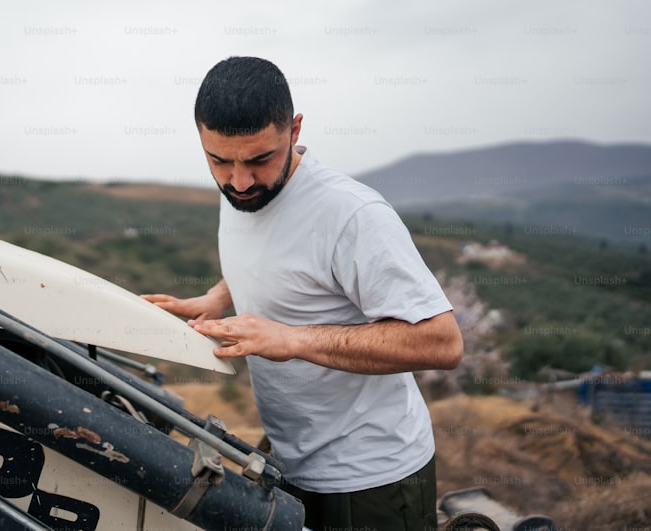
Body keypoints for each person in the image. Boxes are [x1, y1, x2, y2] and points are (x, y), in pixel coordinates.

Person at [142, 56, 464, 531]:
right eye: (219, 161)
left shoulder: (352, 215)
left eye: (259, 159)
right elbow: (279, 258)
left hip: (369, 478)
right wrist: (216, 298)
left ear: (294, 130)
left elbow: (442, 342)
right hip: (289, 463)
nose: (239, 181)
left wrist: (293, 340)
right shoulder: (242, 187)